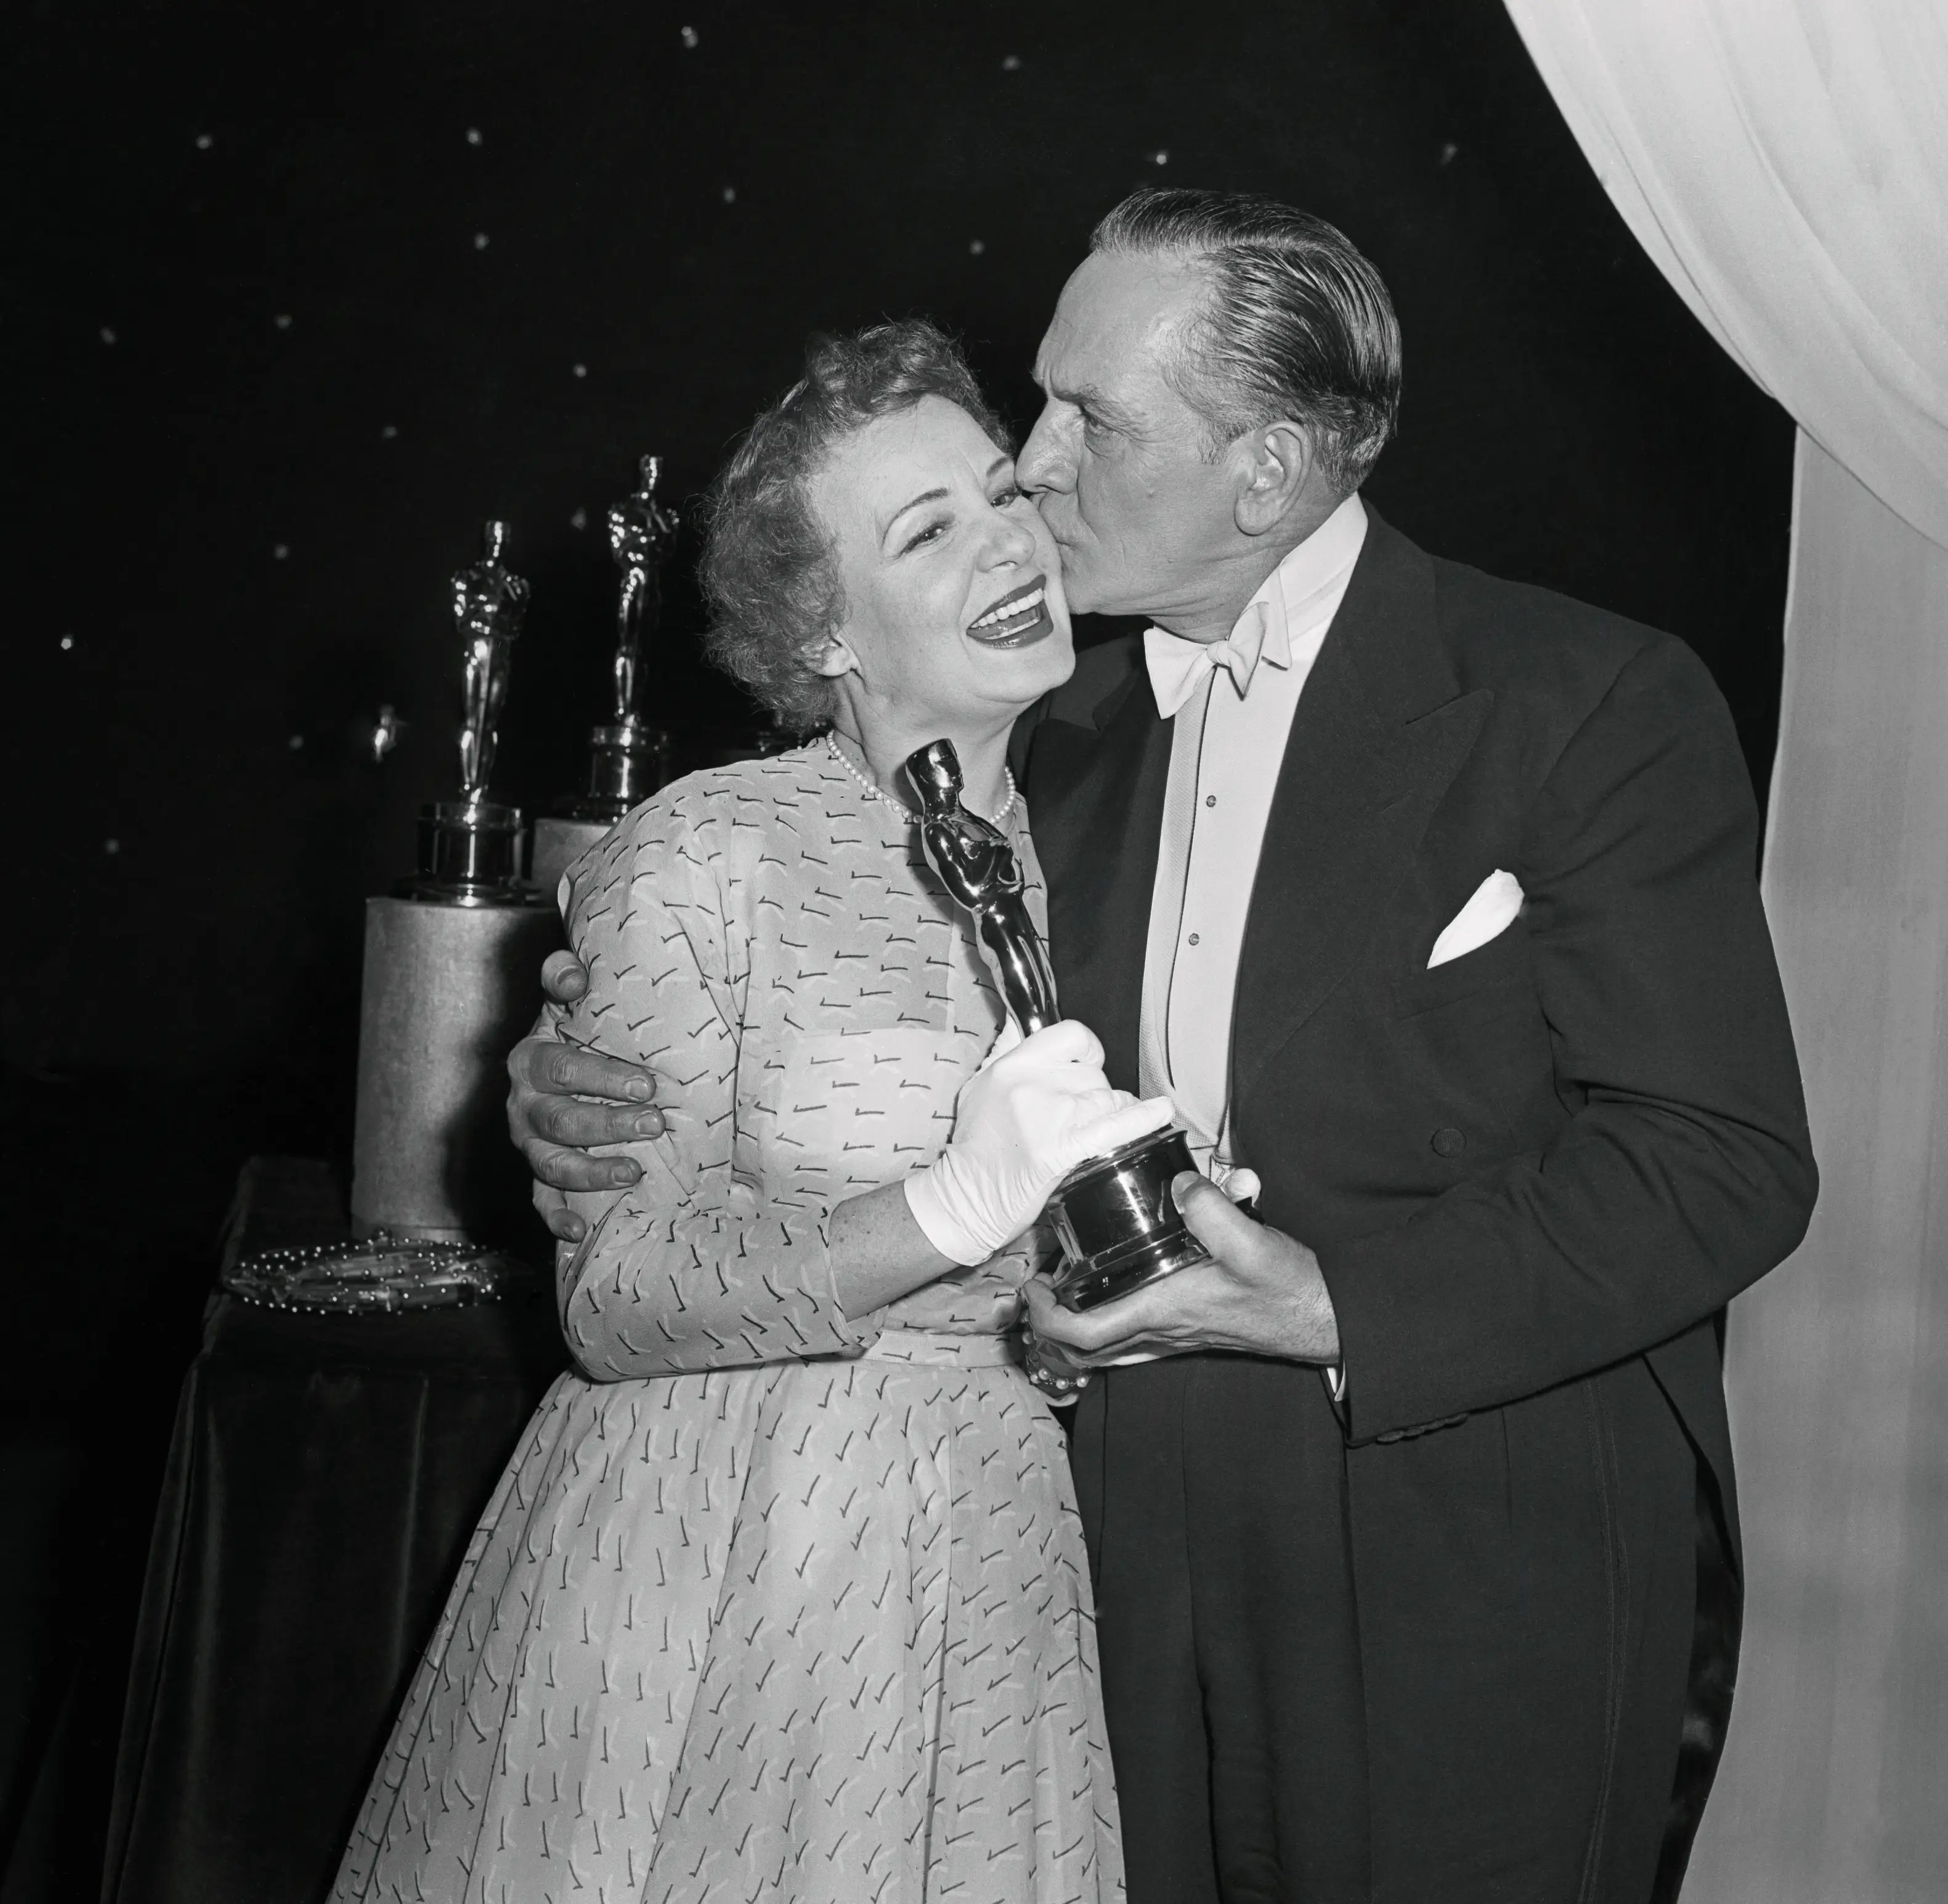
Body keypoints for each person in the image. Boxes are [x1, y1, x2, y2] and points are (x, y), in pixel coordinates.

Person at [514, 192, 1817, 1903]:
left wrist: (1334, 1307)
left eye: (1087, 421)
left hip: (1462, 1548)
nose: (1034, 460)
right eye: (1034, 406)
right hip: (1096, 1564)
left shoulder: (1577, 699)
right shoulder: (1048, 735)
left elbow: (1722, 1160)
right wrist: (572, 1063)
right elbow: (825, 973)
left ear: (1265, 472)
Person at [337, 319, 1167, 1904]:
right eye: (927, 533)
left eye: (1001, 495)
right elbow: (615, 1298)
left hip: (989, 1558)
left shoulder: (1093, 843)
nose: (1008, 547)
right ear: (827, 631)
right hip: (724, 1553)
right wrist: (945, 1210)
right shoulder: (702, 850)